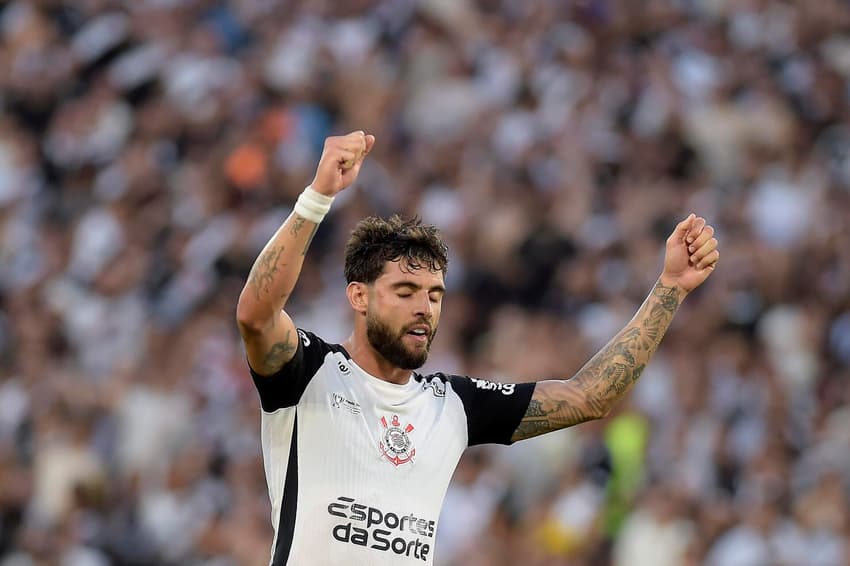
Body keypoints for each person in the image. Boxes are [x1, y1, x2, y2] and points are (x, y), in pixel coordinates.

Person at [235, 131, 720, 566]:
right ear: (359, 296)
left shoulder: (453, 404)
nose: (424, 308)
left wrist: (670, 288)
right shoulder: (309, 372)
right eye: (405, 292)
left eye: (435, 295)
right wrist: (318, 198)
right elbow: (256, 314)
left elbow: (589, 397)